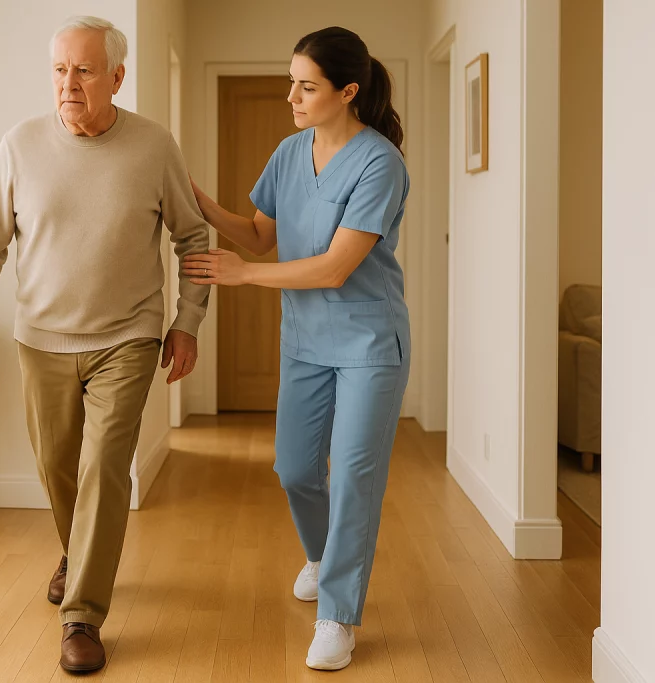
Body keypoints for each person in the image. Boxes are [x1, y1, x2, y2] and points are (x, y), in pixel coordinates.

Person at [0, 15, 210, 674]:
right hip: (41, 338)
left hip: (128, 335)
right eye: (60, 69)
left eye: (84, 70)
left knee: (104, 466)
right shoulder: (19, 146)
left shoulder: (154, 146)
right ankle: (77, 551)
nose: (68, 84)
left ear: (117, 78)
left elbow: (194, 238)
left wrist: (186, 321)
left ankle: (83, 614)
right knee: (58, 465)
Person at [184, 26, 410, 671]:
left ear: (347, 91)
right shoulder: (289, 152)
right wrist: (202, 203)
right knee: (296, 470)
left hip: (369, 339)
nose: (292, 96)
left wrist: (241, 276)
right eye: (291, 83)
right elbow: (258, 234)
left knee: (355, 478)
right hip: (307, 340)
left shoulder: (379, 163)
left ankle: (338, 615)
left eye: (307, 87)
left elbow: (336, 266)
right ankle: (320, 555)